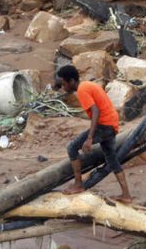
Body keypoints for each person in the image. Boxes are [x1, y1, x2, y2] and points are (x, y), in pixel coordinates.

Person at [53, 65, 133, 203]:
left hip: (104, 125)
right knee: (112, 159)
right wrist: (57, 85)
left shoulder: (82, 90)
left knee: (72, 147)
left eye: (64, 84)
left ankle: (78, 184)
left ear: (71, 81)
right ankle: (126, 195)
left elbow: (95, 111)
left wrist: (90, 138)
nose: (63, 88)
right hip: (112, 123)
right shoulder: (87, 85)